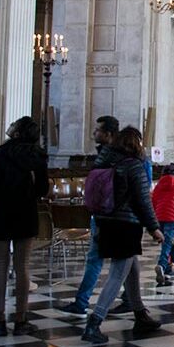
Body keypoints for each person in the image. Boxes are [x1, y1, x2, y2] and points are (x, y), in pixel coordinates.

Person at [81, 126, 164, 344]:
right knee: (117, 275)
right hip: (125, 225)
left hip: (103, 221)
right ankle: (94, 323)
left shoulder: (104, 162)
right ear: (136, 144)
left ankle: (140, 315)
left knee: (132, 268)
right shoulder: (133, 166)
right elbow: (142, 200)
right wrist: (154, 227)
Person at [0, 116, 49, 336]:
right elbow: (43, 189)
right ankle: (21, 319)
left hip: (0, 212)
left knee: (0, 266)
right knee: (23, 267)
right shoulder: (37, 157)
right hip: (25, 212)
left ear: (17, 132)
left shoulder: (0, 155)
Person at [60, 115, 120, 315]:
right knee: (122, 261)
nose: (94, 133)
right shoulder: (111, 154)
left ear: (108, 134)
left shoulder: (109, 156)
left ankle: (85, 304)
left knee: (102, 260)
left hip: (107, 214)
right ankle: (131, 302)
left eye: (98, 130)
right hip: (110, 214)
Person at [150, 164, 174, 285]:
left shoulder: (158, 186)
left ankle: (167, 269)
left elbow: (153, 202)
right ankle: (161, 265)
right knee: (168, 244)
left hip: (159, 218)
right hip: (172, 219)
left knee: (165, 244)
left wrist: (154, 220)